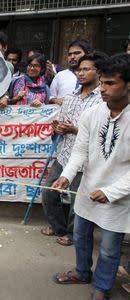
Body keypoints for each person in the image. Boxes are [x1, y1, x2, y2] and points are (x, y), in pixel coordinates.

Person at [51, 53, 130, 300]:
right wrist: (65, 176)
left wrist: (111, 192)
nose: (103, 89)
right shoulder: (92, 114)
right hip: (88, 188)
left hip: (119, 198)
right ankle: (82, 272)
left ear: (128, 85)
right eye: (102, 82)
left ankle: (102, 287)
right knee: (81, 236)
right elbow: (80, 152)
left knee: (108, 249)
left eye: (111, 83)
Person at [40, 52, 105, 247]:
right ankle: (59, 227)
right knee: (49, 192)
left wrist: (74, 129)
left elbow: (102, 133)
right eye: (79, 70)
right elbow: (63, 122)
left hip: (87, 160)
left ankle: (72, 233)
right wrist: (58, 127)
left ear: (98, 72)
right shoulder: (70, 97)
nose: (81, 73)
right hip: (65, 154)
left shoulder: (103, 99)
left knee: (79, 201)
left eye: (86, 69)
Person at [49, 40, 92, 105]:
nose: (72, 57)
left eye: (76, 53)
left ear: (87, 54)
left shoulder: (94, 75)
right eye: (69, 54)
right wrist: (55, 101)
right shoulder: (60, 75)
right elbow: (50, 96)